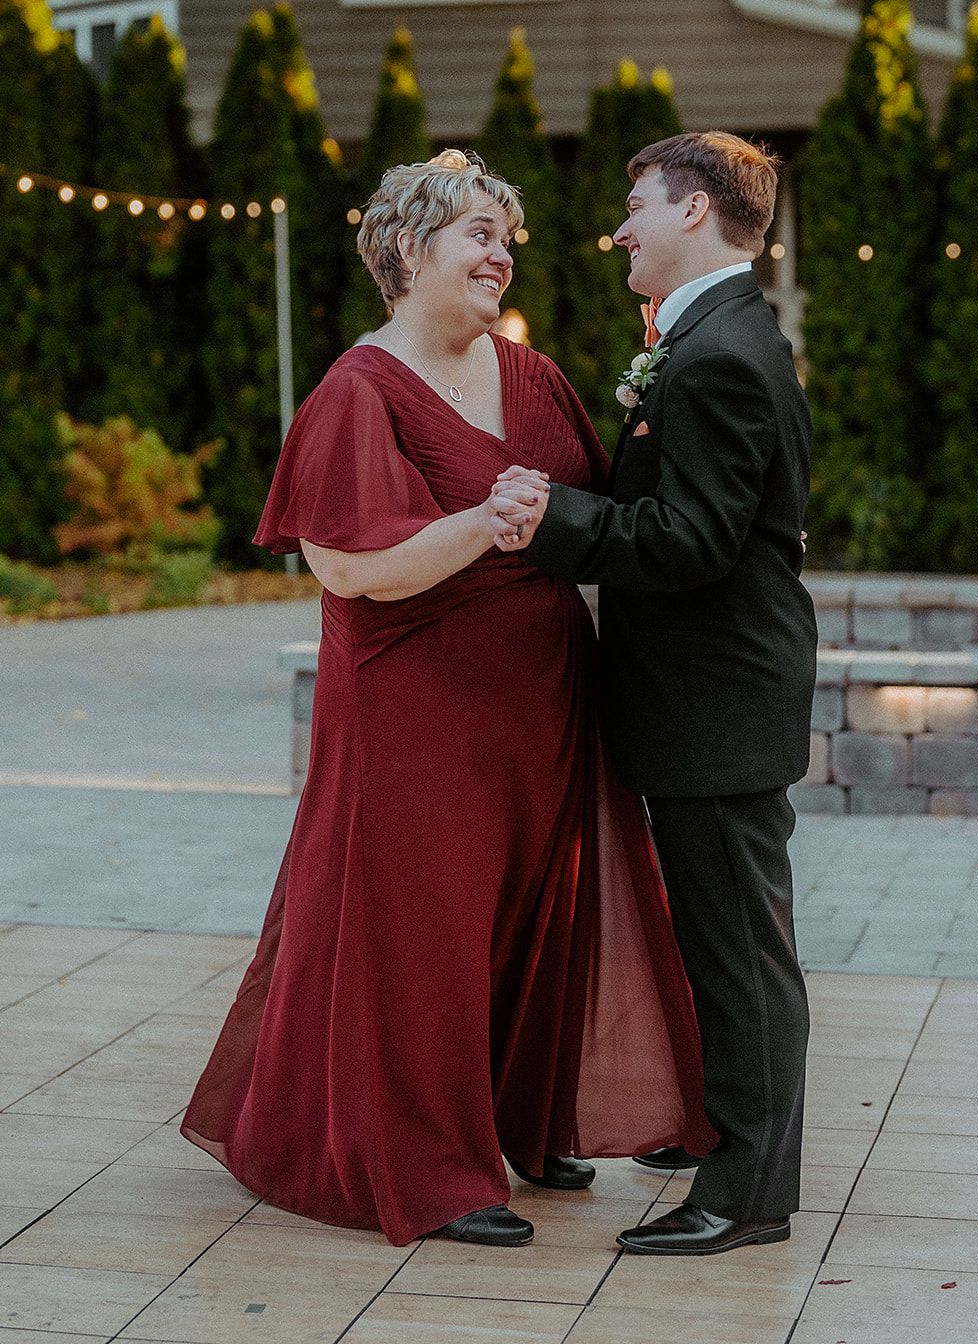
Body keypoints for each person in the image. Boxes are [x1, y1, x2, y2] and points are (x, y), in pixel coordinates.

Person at [180, 150, 714, 1249]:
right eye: (477, 232)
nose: (499, 253)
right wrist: (488, 521)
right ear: (408, 251)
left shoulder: (536, 376)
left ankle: (521, 1114)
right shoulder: (355, 391)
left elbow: (604, 509)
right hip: (415, 710)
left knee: (532, 910)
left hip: (542, 700)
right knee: (428, 925)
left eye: (502, 236)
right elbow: (346, 567)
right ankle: (428, 1161)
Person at [494, 131, 817, 1257]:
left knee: (738, 955)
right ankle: (739, 1163)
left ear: (692, 212)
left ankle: (747, 1195)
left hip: (715, 706)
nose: (620, 227)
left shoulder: (721, 352)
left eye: (635, 203)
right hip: (703, 704)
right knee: (729, 948)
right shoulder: (709, 336)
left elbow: (689, 541)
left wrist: (552, 521)